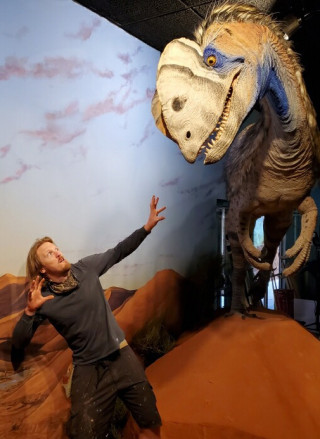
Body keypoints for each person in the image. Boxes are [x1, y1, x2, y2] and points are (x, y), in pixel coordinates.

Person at [11, 195, 166, 439]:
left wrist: (146, 228)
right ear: (42, 269)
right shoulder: (43, 299)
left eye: (57, 248)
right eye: (50, 254)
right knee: (84, 433)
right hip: (88, 369)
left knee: (149, 424)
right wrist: (30, 312)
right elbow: (18, 343)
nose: (58, 253)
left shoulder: (86, 268)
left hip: (122, 356)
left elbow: (119, 251)